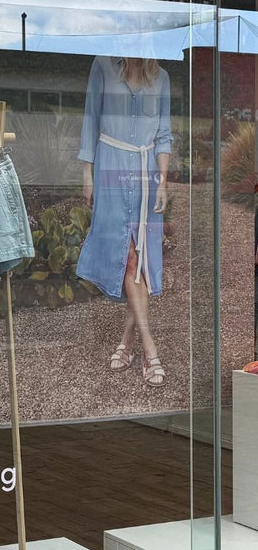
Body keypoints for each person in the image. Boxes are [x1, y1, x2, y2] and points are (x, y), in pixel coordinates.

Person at [76, 55, 172, 386]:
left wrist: (163, 181)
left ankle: (128, 342)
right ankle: (150, 350)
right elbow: (90, 119)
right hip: (111, 170)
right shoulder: (102, 65)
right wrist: (87, 173)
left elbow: (164, 134)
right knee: (130, 258)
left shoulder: (161, 77)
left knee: (140, 263)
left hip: (146, 176)